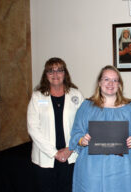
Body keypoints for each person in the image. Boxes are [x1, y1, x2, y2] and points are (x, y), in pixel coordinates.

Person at [69, 65, 131, 192]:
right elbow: (76, 133)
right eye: (106, 79)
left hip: (123, 169)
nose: (110, 83)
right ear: (99, 82)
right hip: (92, 169)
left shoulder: (130, 108)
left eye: (115, 80)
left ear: (119, 84)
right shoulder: (86, 107)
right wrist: (82, 140)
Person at [27, 57, 84, 192]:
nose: (55, 74)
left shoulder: (76, 95)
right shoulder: (37, 97)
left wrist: (70, 149)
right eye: (50, 71)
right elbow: (33, 128)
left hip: (71, 156)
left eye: (59, 70)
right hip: (45, 158)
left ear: (65, 73)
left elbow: (84, 125)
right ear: (45, 75)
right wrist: (54, 153)